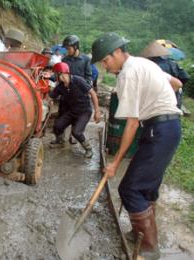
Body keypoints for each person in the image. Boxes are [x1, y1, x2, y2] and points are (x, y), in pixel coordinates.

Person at [91, 32, 183, 259]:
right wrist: (158, 101)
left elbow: (131, 124)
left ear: (118, 52)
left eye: (106, 60)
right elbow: (176, 83)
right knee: (147, 187)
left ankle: (150, 248)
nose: (105, 67)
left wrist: (114, 163)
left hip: (158, 129)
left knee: (129, 189)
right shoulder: (144, 64)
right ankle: (140, 233)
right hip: (169, 128)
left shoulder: (128, 74)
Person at [49, 62, 100, 158]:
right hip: (72, 111)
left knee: (76, 132)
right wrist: (48, 100)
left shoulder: (78, 80)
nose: (54, 77)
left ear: (61, 73)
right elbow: (51, 96)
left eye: (55, 74)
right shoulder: (60, 87)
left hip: (84, 111)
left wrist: (97, 111)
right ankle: (60, 141)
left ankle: (88, 149)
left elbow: (92, 93)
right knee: (57, 125)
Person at [60, 35, 93, 144]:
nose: (67, 51)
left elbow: (89, 76)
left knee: (76, 116)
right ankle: (59, 138)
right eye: (66, 49)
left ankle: (73, 136)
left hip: (78, 95)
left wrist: (86, 88)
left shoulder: (85, 60)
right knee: (62, 114)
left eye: (69, 49)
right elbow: (60, 75)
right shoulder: (64, 59)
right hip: (66, 93)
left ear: (76, 47)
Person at [140, 40, 190, 109]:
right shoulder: (172, 64)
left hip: (156, 99)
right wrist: (176, 86)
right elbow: (185, 77)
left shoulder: (147, 66)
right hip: (173, 95)